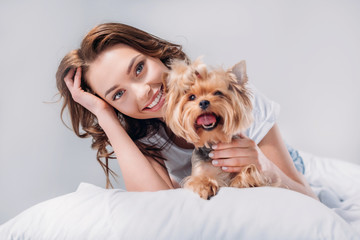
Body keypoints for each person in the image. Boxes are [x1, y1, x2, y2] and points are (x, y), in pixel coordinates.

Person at [56, 22, 318, 199]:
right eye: (118, 94)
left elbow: (309, 198)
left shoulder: (230, 96)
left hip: (285, 165)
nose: (142, 91)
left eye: (139, 69)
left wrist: (265, 165)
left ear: (154, 52)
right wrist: (103, 114)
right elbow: (156, 205)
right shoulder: (146, 139)